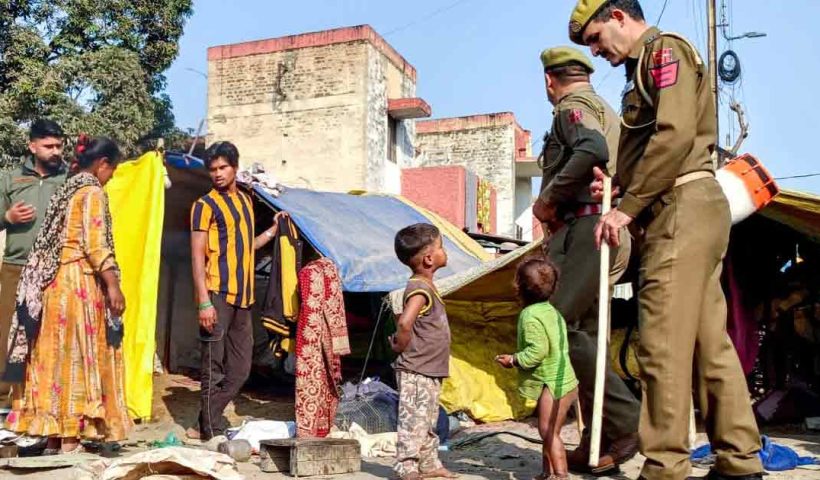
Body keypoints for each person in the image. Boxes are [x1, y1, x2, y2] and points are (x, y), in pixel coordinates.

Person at [568, 1, 763, 479]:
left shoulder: (662, 52)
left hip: (680, 209)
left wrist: (625, 208)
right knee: (706, 342)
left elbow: (674, 138)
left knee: (660, 347)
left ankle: (664, 466)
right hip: (686, 207)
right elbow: (659, 143)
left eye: (595, 38)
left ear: (617, 16)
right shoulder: (644, 68)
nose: (597, 52)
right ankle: (739, 459)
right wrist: (620, 185)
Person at [531, 46, 639, 474]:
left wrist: (547, 200)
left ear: (548, 80)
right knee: (588, 339)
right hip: (605, 230)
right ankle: (603, 442)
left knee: (553, 326)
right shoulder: (604, 108)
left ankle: (627, 421)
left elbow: (590, 149)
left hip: (586, 230)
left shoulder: (571, 108)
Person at [3, 136, 129, 454]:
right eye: (111, 170)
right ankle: (72, 439)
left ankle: (55, 437)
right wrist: (113, 285)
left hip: (53, 287)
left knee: (53, 360)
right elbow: (96, 244)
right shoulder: (91, 192)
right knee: (78, 359)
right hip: (79, 286)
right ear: (102, 164)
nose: (111, 177)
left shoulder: (67, 189)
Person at [188, 141, 286, 441]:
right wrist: (204, 302)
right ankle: (211, 430)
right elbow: (197, 255)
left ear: (235, 167)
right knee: (213, 367)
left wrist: (272, 231)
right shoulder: (203, 206)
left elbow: (246, 247)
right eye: (213, 169)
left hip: (244, 298)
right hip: (216, 294)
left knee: (242, 369)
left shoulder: (245, 201)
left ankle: (203, 420)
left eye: (223, 167)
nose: (217, 174)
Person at [0, 119, 68, 407]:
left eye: (59, 146)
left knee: (50, 336)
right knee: (7, 336)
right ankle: (5, 403)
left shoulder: (69, 179)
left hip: (55, 271)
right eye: (49, 146)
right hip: (16, 268)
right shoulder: (9, 179)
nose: (55, 152)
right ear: (32, 146)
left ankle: (42, 404)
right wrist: (7, 218)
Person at [496, 256, 579, 480]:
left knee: (548, 431)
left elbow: (537, 352)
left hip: (554, 383)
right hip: (566, 379)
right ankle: (547, 472)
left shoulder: (530, 316)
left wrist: (513, 360)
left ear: (518, 288)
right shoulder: (551, 311)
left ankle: (561, 475)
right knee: (551, 431)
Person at [391, 223, 457, 480]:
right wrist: (400, 344)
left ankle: (429, 463)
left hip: (429, 368)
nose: (444, 251)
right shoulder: (419, 289)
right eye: (441, 247)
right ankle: (406, 466)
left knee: (428, 420)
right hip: (416, 368)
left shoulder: (426, 285)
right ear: (429, 258)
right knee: (413, 421)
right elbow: (405, 322)